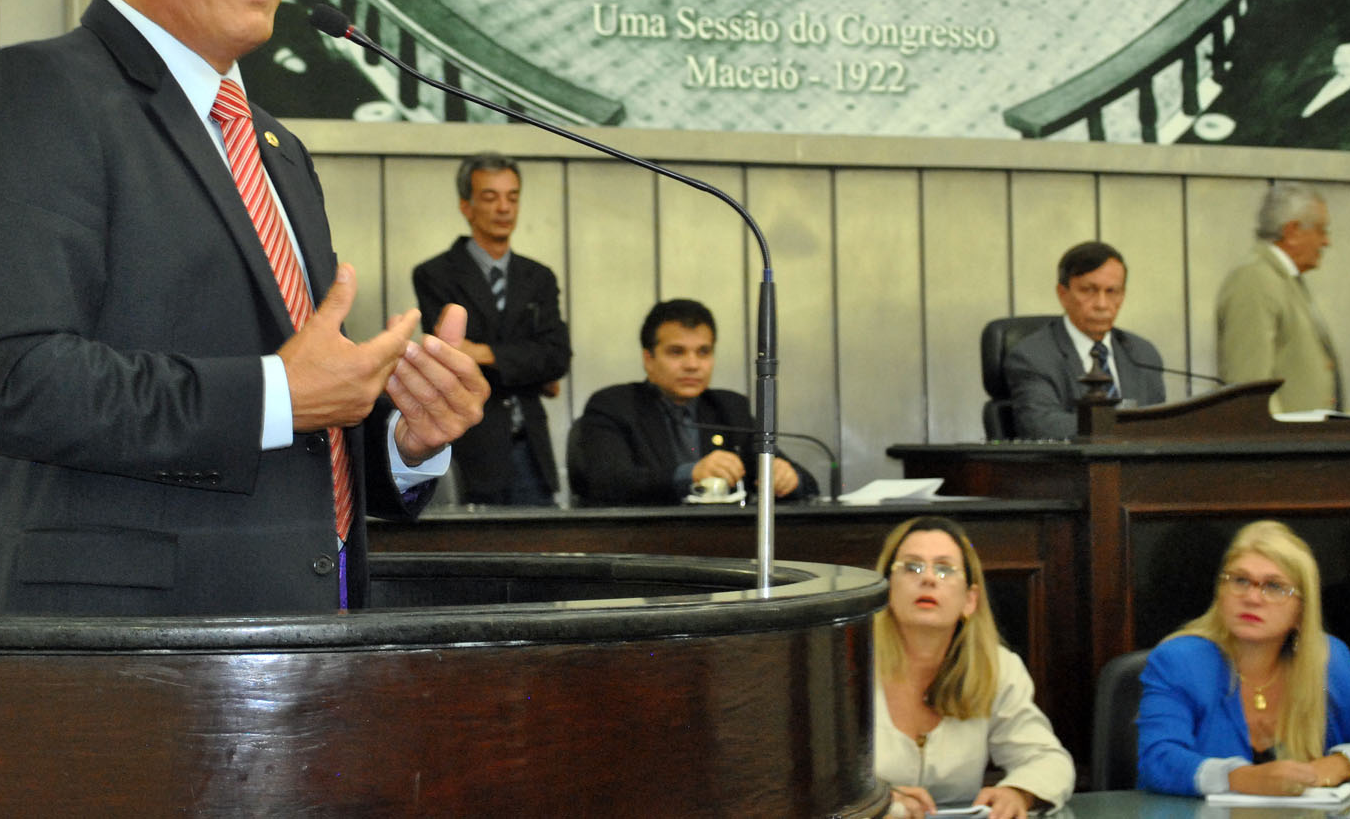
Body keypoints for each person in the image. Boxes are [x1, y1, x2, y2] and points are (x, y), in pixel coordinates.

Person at [0, 0, 488, 616]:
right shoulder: (38, 94)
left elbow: (293, 420)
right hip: (115, 655)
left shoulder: (276, 148)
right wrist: (274, 394)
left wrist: (403, 437)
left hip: (302, 646)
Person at [1136, 519, 1350, 796]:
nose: (1252, 597)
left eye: (1274, 587)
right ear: (1220, 593)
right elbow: (1158, 760)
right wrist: (1243, 779)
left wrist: (1337, 766)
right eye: (1239, 580)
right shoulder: (1180, 661)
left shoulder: (1327, 661)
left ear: (1301, 610)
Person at [873, 516, 1075, 819]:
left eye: (944, 569)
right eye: (912, 566)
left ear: (970, 600)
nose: (928, 578)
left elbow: (1048, 760)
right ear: (887, 590)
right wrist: (875, 801)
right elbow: (807, 780)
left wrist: (1018, 792)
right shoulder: (845, 667)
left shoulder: (997, 668)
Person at [412, 153, 570, 505]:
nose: (504, 208)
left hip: (531, 445)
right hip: (471, 443)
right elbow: (449, 357)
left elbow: (557, 358)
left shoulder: (539, 277)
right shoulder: (436, 274)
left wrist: (482, 353)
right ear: (466, 206)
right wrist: (530, 369)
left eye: (512, 197)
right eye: (490, 197)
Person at [566, 298, 818, 504]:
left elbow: (808, 483)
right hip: (639, 546)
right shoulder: (614, 405)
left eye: (703, 352)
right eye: (677, 352)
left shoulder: (729, 408)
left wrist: (789, 476)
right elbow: (607, 482)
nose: (692, 365)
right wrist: (690, 474)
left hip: (722, 547)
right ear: (649, 359)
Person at [1003, 241, 1165, 439]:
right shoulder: (1033, 356)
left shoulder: (1142, 353)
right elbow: (1041, 425)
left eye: (1112, 291)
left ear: (1123, 295)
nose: (1102, 304)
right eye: (1089, 290)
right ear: (1063, 294)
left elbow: (1161, 424)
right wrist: (1125, 429)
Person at [1215, 183, 1340, 413]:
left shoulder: (1282, 279)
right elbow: (1250, 389)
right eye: (1321, 230)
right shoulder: (1254, 280)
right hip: (1283, 444)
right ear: (1292, 232)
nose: (1326, 242)